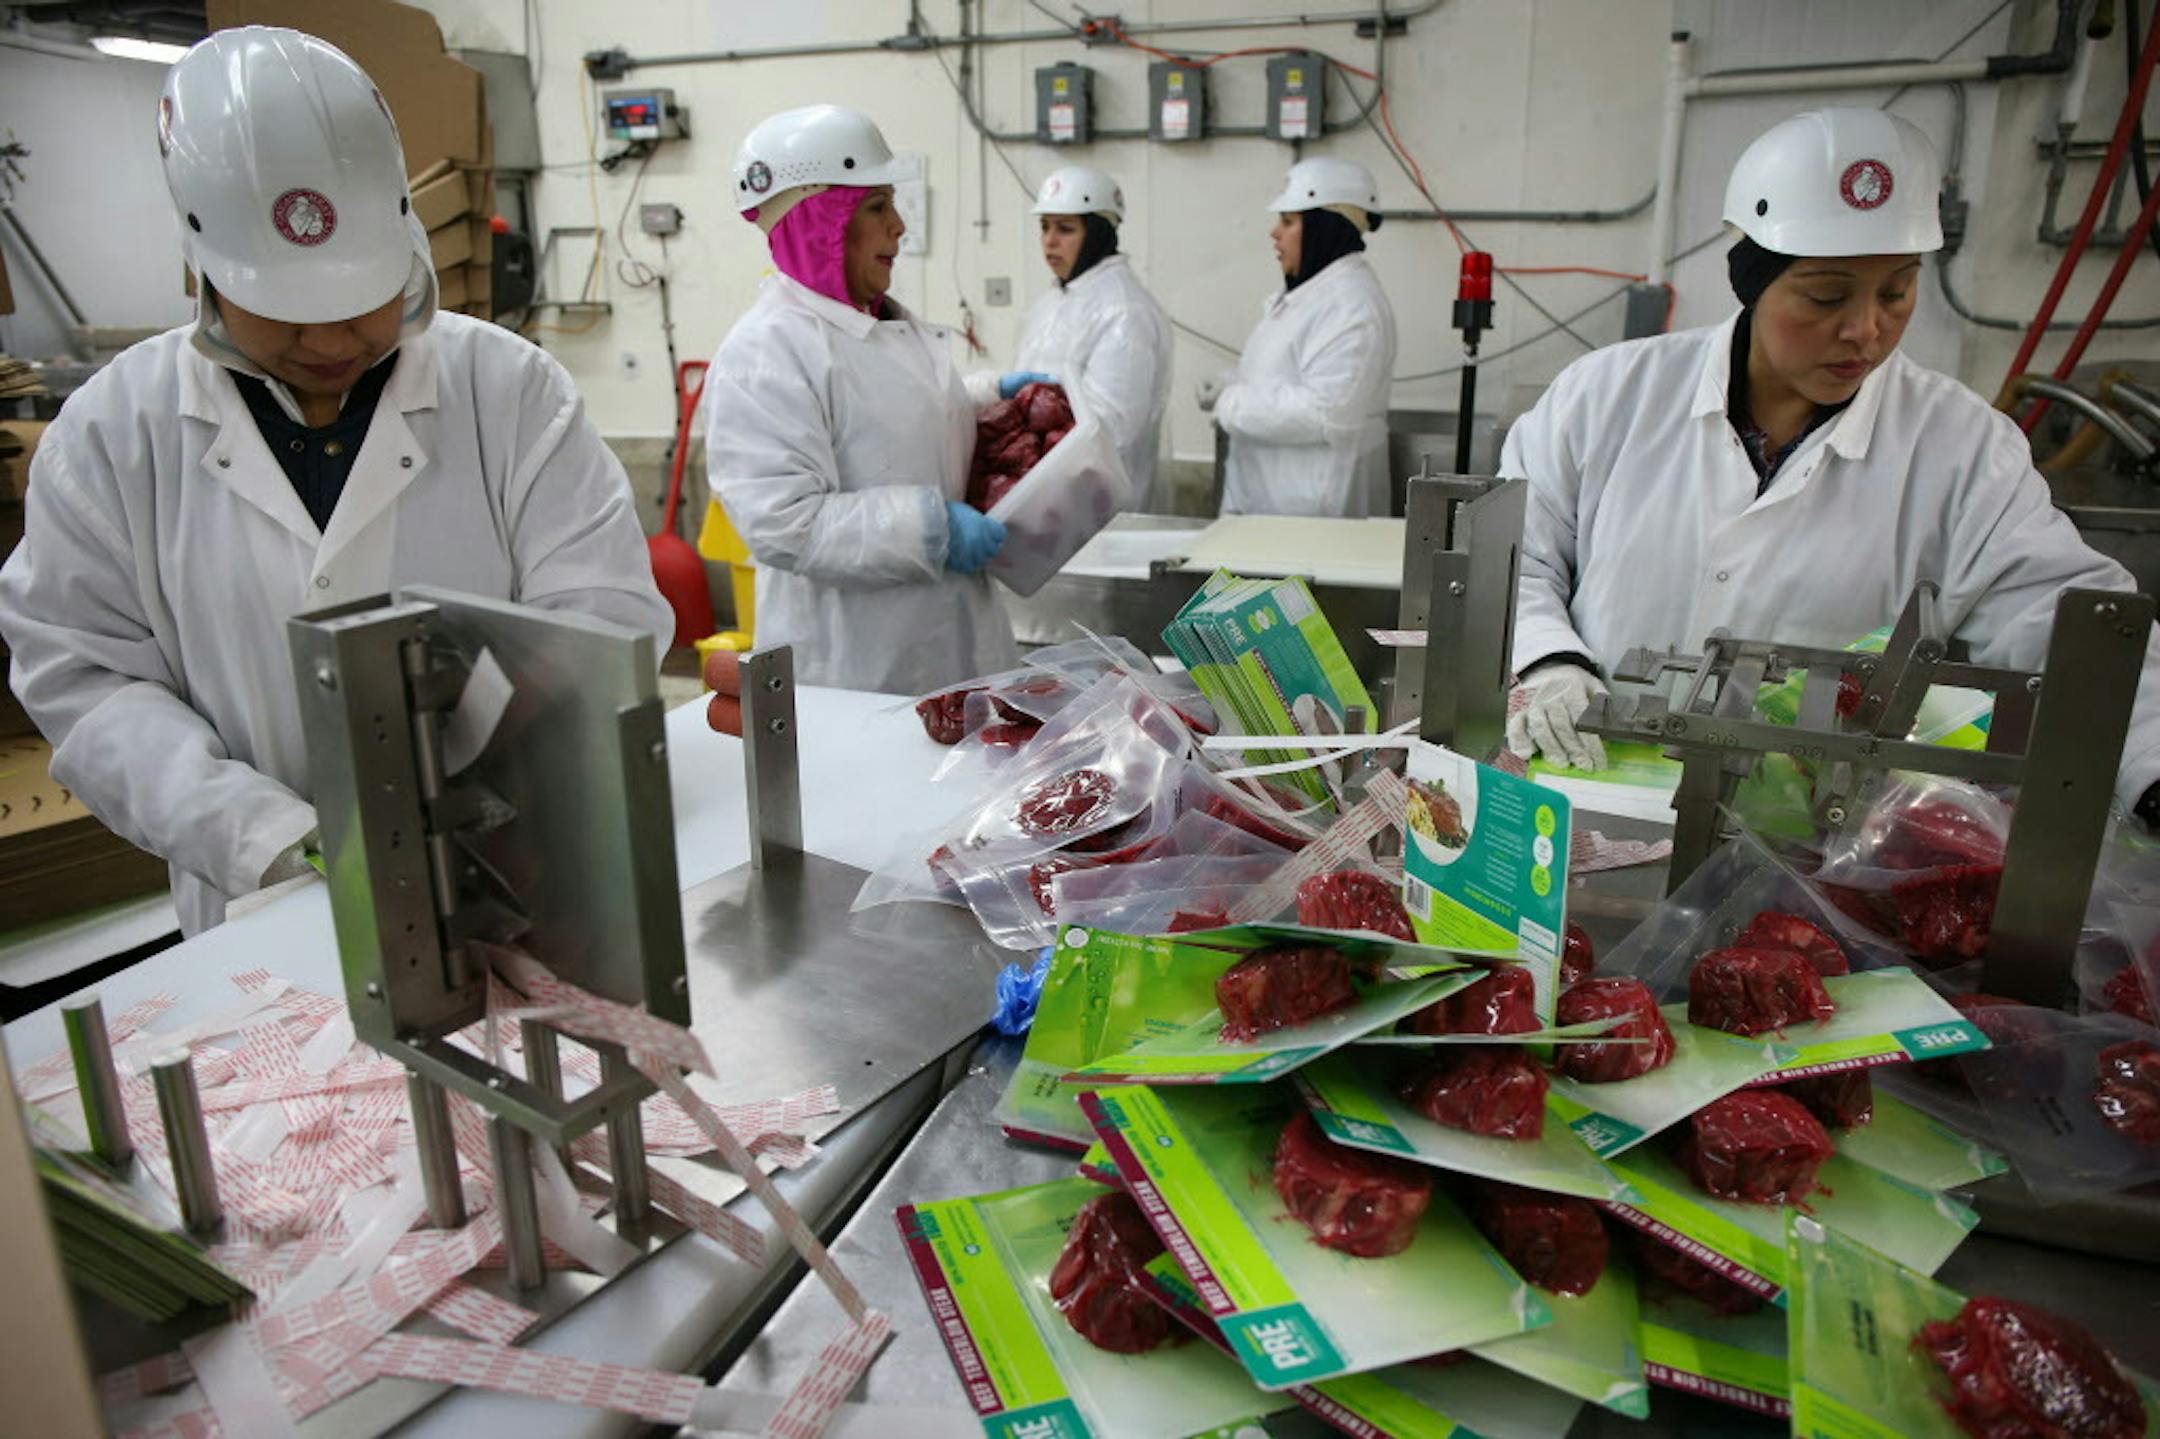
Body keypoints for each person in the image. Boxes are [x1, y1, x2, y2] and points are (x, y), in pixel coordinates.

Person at [0, 28, 669, 937]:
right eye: (284, 313)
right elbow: (87, 680)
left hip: (512, 875)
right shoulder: (113, 433)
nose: (330, 343)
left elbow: (601, 616)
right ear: (200, 268)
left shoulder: (510, 391)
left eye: (361, 300)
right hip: (263, 907)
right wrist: (273, 838)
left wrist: (474, 791)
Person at [1502, 106, 2160, 813]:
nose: (1865, 329)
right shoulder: (1605, 394)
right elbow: (1518, 558)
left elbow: (2068, 625)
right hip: (1584, 791)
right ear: (1752, 280)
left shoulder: (1964, 448)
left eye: (1897, 291)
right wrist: (1549, 661)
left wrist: (2151, 766)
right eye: (1826, 295)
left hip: (1806, 841)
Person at [705, 104, 1017, 695]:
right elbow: (784, 523)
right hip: (857, 665)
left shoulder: (880, 325)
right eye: (877, 207)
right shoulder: (767, 350)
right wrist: (932, 528)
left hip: (953, 640)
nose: (899, 226)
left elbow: (893, 416)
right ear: (820, 221)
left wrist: (989, 396)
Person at [1200, 157, 1399, 518]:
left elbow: (1327, 414)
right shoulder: (1311, 296)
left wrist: (1231, 403)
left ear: (1325, 227)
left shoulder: (1350, 305)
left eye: (1288, 221)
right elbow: (1284, 378)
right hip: (1272, 506)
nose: (1274, 233)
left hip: (1312, 515)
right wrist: (1230, 384)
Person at [966, 166, 1173, 509]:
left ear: (1098, 233)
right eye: (1045, 226)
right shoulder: (1053, 302)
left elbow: (1111, 431)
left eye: (1065, 229)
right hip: (1045, 501)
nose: (1049, 240)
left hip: (1097, 507)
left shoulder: (1124, 312)